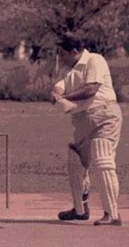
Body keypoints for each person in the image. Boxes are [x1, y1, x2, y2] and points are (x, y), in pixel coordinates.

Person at [50, 33, 123, 226]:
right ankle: (80, 210)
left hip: (104, 115)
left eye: (63, 53)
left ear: (74, 51)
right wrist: (57, 94)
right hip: (81, 120)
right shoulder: (67, 69)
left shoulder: (94, 60)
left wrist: (64, 98)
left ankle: (112, 214)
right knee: (75, 162)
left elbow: (91, 89)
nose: (61, 57)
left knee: (102, 160)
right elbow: (59, 88)